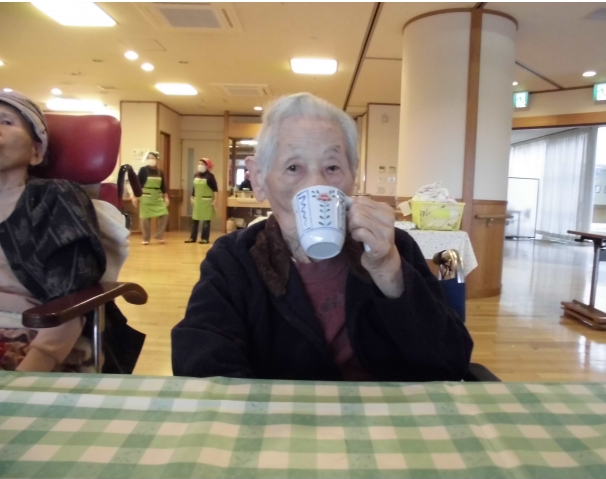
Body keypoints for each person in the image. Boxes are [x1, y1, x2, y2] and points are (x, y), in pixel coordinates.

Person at [172, 93, 473, 382]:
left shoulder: (395, 248)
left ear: (353, 174)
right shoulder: (234, 259)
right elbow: (202, 363)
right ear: (260, 179)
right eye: (293, 167)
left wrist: (389, 272)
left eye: (332, 167)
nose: (317, 184)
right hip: (279, 414)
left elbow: (450, 362)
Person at [0, 90, 144, 372]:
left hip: (24, 333)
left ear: (36, 151)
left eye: (6, 121)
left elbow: (70, 295)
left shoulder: (54, 198)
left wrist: (29, 374)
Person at [133, 151, 169, 245]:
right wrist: (135, 197)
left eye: (152, 158)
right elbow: (137, 184)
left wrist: (166, 197)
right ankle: (146, 238)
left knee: (165, 214)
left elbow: (163, 186)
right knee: (145, 218)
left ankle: (159, 235)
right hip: (146, 196)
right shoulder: (143, 170)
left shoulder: (160, 171)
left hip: (157, 197)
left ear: (157, 159)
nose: (150, 159)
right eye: (148, 158)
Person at [185, 158, 218, 244]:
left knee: (206, 220)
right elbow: (194, 187)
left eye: (202, 164)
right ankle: (192, 238)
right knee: (195, 219)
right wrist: (192, 196)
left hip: (207, 201)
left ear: (207, 166)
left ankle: (204, 238)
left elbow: (215, 189)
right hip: (197, 200)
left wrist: (215, 200)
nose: (200, 165)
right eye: (199, 163)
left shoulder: (210, 176)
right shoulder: (196, 175)